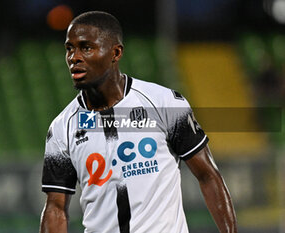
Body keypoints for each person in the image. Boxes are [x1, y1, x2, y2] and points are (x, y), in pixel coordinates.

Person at [39, 11, 237, 233]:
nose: (74, 57)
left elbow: (208, 175)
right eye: (69, 48)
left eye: (86, 48)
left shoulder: (164, 103)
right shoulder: (62, 128)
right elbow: (55, 207)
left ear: (115, 53)